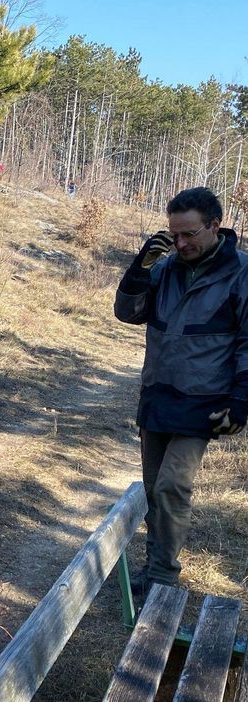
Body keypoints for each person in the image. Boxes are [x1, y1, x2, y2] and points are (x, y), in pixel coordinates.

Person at [115, 186, 248, 595]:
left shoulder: (241, 272)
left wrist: (241, 401)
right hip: (157, 395)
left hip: (202, 402)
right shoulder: (165, 267)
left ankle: (162, 578)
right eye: (174, 234)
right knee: (154, 488)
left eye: (189, 234)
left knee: (173, 485)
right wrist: (140, 268)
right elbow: (127, 313)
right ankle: (155, 565)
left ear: (215, 225)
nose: (181, 243)